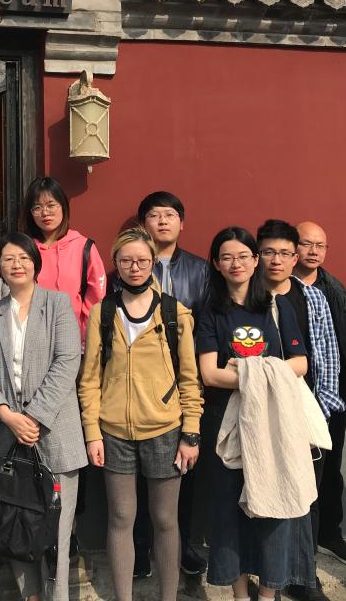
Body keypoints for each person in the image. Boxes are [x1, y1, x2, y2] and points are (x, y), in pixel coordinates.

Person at [77, 227, 203, 601]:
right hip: (114, 432)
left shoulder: (174, 312)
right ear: (115, 263)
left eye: (142, 260)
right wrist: (92, 432)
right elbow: (89, 380)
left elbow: (190, 379)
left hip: (165, 430)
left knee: (165, 520)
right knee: (120, 518)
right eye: (127, 260)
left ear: (152, 263)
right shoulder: (103, 313)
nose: (135, 267)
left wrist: (191, 432)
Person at [196, 227, 314, 601]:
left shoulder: (277, 307)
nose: (236, 264)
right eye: (227, 257)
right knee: (229, 512)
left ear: (255, 259)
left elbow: (300, 363)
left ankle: (267, 594)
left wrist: (249, 370)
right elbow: (209, 374)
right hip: (224, 424)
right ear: (217, 263)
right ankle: (239, 594)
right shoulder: (209, 312)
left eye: (243, 256)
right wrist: (264, 370)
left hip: (273, 422)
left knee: (274, 507)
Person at [0, 233, 87, 601]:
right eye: (8, 259)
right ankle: (31, 596)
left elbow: (68, 361)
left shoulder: (57, 304)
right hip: (8, 433)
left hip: (54, 432)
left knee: (56, 530)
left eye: (24, 258)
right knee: (12, 519)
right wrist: (7, 415)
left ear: (35, 263)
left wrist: (35, 416)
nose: (17, 264)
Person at [256, 219, 344, 601]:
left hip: (306, 412)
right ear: (258, 256)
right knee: (266, 498)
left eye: (284, 253)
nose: (276, 260)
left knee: (307, 498)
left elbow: (327, 357)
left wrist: (320, 413)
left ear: (295, 258)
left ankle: (304, 577)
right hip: (259, 414)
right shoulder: (247, 296)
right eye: (268, 252)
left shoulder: (312, 298)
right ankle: (270, 579)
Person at [136, 191, 211, 579]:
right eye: (154, 215)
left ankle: (185, 546)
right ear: (143, 224)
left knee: (185, 468)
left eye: (170, 215)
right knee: (137, 472)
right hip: (139, 387)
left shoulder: (200, 271)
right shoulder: (130, 266)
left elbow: (208, 326)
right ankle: (140, 548)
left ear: (182, 222)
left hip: (186, 383)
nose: (163, 221)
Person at [294, 221, 346, 570]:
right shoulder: (279, 286)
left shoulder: (333, 287)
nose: (313, 251)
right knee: (302, 471)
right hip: (298, 394)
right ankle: (300, 548)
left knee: (331, 469)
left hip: (332, 393)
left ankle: (329, 535)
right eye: (306, 244)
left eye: (320, 245)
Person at [22, 176, 106, 344]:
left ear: (63, 206)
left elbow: (96, 297)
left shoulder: (83, 246)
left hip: (74, 339)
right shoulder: (24, 249)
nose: (45, 212)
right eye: (37, 207)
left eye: (51, 205)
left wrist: (84, 334)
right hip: (31, 339)